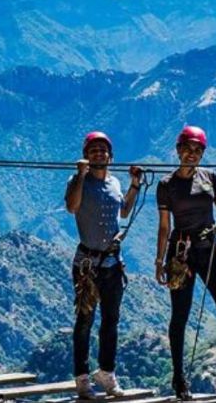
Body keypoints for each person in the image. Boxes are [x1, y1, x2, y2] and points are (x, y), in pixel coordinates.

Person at [154, 125, 216, 400]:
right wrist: (160, 260)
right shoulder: (166, 185)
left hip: (209, 251)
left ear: (202, 153)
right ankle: (179, 380)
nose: (191, 154)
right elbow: (163, 226)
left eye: (197, 150)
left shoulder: (211, 178)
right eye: (187, 148)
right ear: (178, 150)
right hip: (181, 254)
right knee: (179, 317)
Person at [65, 131, 142, 399]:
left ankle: (106, 373)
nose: (99, 154)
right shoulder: (78, 182)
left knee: (111, 320)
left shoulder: (115, 183)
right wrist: (79, 175)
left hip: (112, 263)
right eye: (93, 150)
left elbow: (123, 210)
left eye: (103, 150)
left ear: (110, 156)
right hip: (86, 263)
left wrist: (134, 184)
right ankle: (82, 379)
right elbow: (72, 207)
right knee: (85, 320)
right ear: (86, 155)